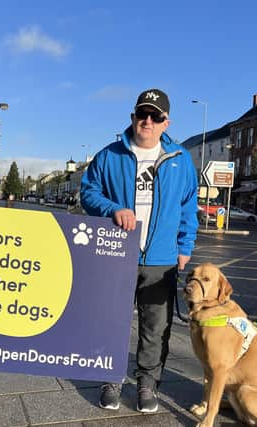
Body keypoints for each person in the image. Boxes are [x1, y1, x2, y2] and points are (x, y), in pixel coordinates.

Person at [81, 89, 198, 413]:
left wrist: (185, 246)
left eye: (155, 116)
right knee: (111, 319)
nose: (148, 121)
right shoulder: (109, 155)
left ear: (165, 123)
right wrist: (112, 208)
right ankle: (110, 377)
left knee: (155, 327)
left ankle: (148, 383)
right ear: (133, 117)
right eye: (142, 114)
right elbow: (88, 192)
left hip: (161, 258)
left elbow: (189, 206)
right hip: (117, 254)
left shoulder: (180, 159)